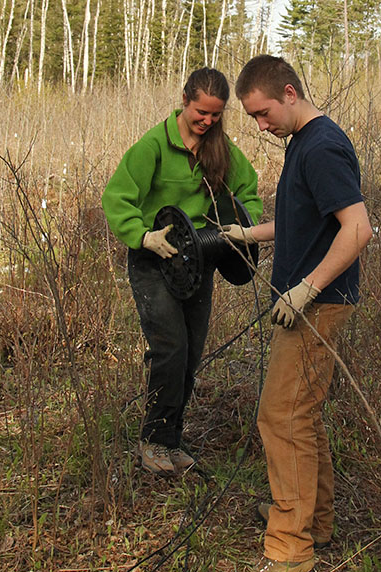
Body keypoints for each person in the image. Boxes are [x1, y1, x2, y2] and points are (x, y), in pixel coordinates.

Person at [223, 55, 372, 572]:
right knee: (300, 416)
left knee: (281, 418)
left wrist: (308, 287)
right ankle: (316, 520)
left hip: (318, 305)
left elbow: (358, 228)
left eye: (263, 113)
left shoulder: (322, 146)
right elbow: (302, 221)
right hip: (303, 303)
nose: (261, 126)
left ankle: (289, 549)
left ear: (289, 93)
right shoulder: (302, 144)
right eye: (253, 118)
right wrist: (248, 235)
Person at [102, 67, 262, 476]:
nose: (207, 121)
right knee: (170, 348)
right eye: (200, 112)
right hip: (153, 259)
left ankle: (171, 441)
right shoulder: (154, 146)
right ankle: (153, 441)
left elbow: (248, 191)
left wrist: (243, 226)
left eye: (216, 114)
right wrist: (142, 236)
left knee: (190, 353)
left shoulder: (221, 148)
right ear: (185, 100)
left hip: (197, 260)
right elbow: (116, 197)